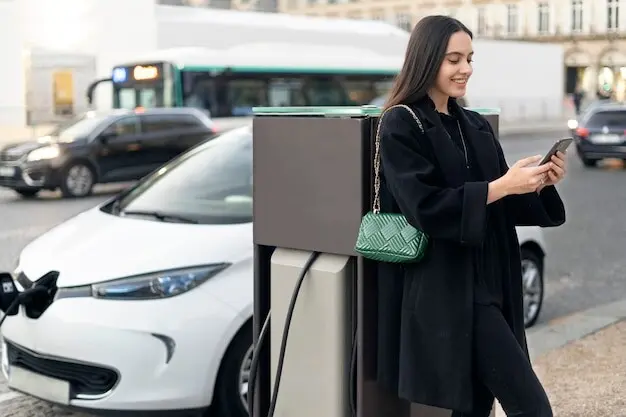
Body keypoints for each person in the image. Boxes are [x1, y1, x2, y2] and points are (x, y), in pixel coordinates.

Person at [374, 15, 566, 417]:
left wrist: (537, 183)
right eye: (454, 60)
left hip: (495, 277)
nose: (466, 69)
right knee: (531, 406)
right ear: (427, 60)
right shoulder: (401, 123)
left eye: (470, 58)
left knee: (475, 407)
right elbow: (425, 208)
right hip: (450, 288)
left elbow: (502, 203)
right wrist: (503, 186)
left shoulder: (474, 124)